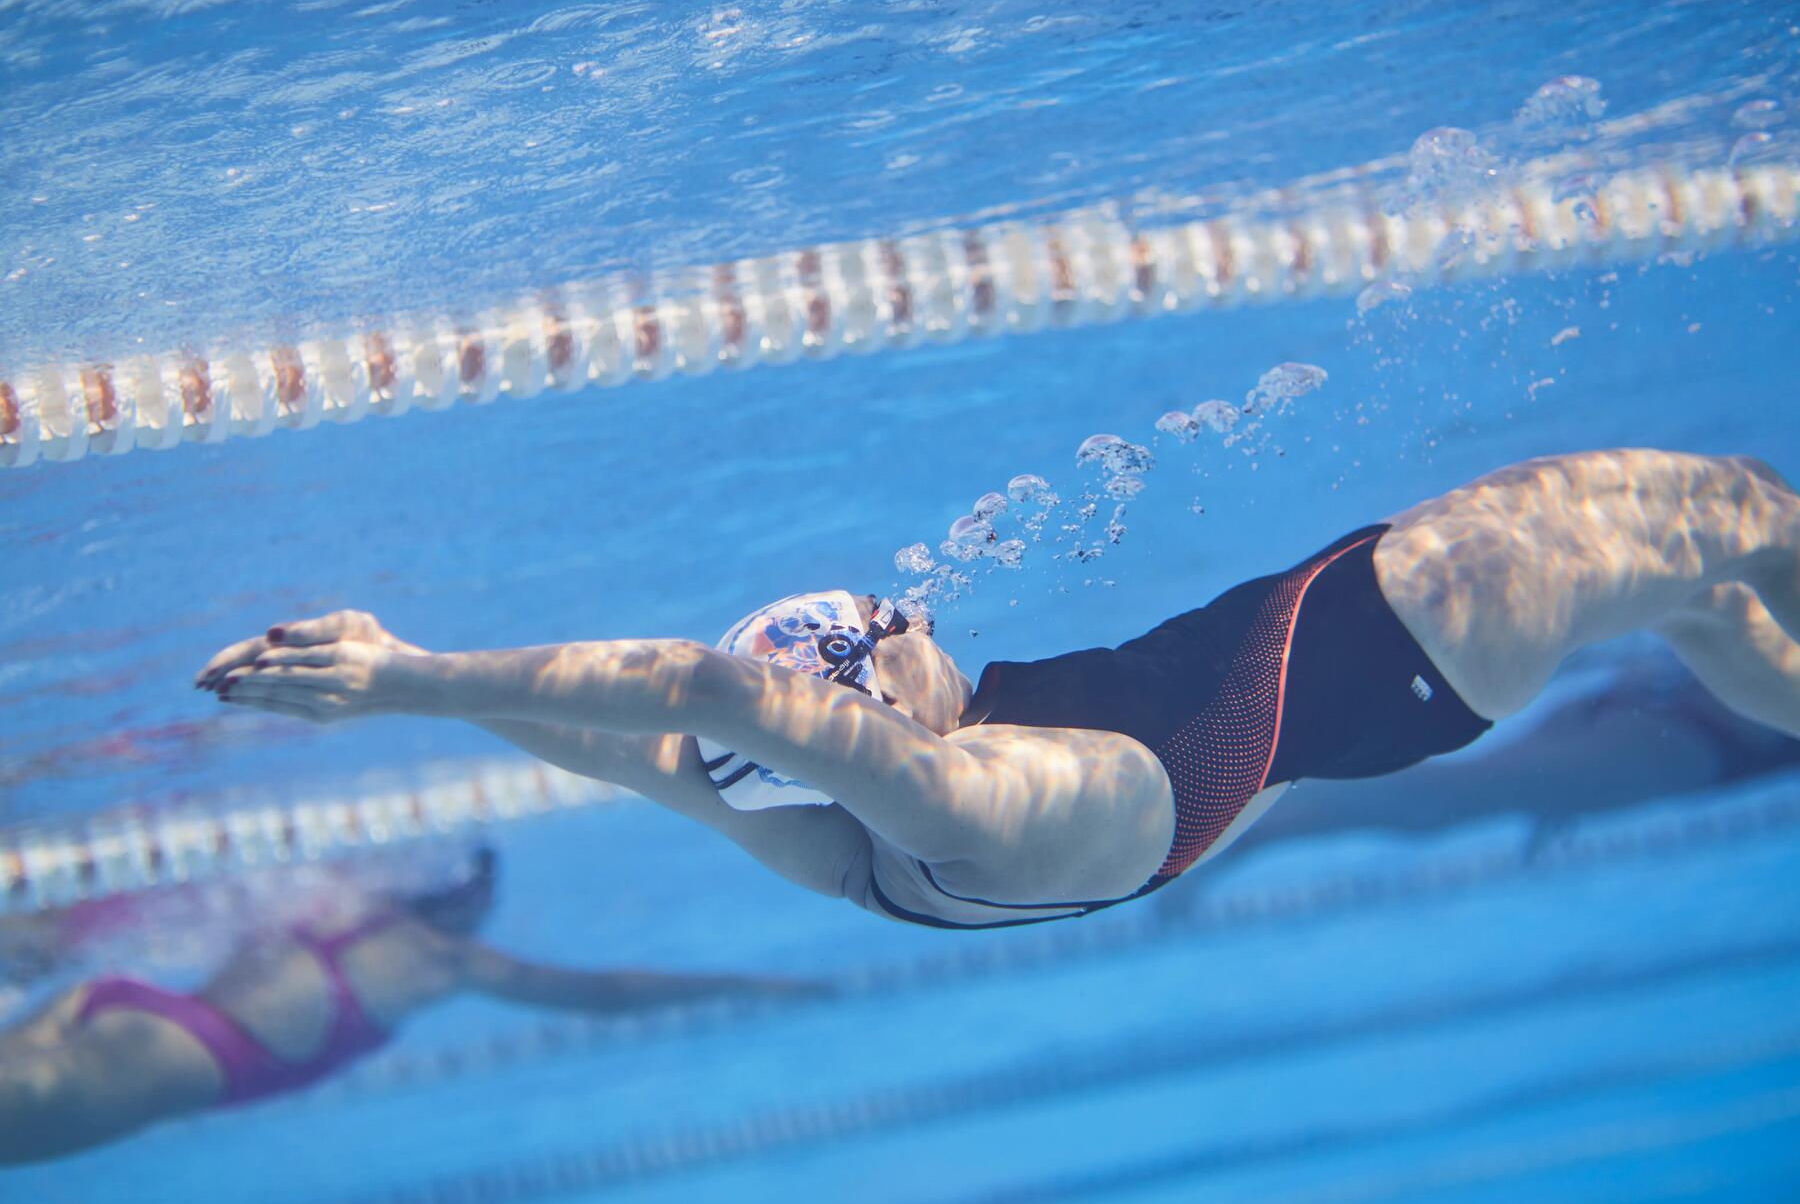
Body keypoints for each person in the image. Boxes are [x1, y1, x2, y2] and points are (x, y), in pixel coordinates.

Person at [193, 449, 1800, 930]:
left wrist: (440, 701)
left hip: (1369, 677)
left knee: (1717, 595)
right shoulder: (967, 801)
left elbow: (640, 742)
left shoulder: (838, 840)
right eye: (890, 621)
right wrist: (403, 667)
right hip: (1417, 633)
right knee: (1738, 510)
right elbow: (705, 689)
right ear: (875, 709)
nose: (915, 614)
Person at [0, 848, 819, 1164]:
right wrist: (741, 984)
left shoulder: (325, 898)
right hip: (187, 1053)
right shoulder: (433, 958)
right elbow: (600, 994)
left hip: (117, 1006)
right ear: (459, 909)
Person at [1190, 652, 1800, 868]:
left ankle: (1249, 821)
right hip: (1682, 736)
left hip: (1676, 730)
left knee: (1454, 796)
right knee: (1452, 797)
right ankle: (1249, 817)